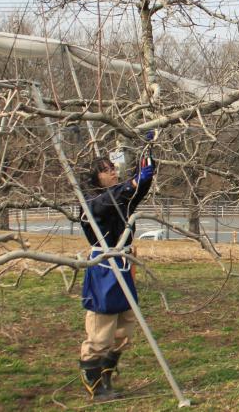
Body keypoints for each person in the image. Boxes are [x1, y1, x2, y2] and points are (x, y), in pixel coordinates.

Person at [78, 148, 154, 401]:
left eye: (112, 167)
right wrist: (133, 181)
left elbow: (133, 192)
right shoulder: (91, 203)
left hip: (123, 263)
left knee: (126, 325)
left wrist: (147, 166)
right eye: (105, 170)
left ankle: (108, 375)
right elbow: (115, 196)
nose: (112, 172)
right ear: (94, 178)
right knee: (102, 327)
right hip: (104, 267)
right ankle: (94, 381)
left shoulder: (120, 198)